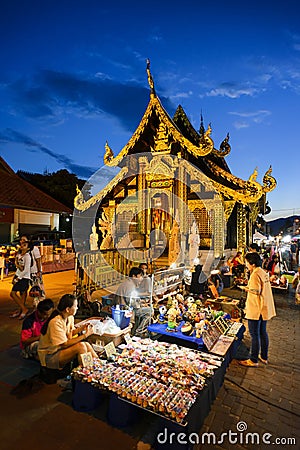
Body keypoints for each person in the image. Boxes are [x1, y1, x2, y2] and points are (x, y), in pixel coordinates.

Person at [38, 294, 98, 370]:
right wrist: (85, 335)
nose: (77, 308)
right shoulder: (55, 322)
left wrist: (81, 329)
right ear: (67, 309)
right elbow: (64, 344)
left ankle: (99, 365)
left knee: (86, 344)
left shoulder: (70, 317)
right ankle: (87, 373)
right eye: (75, 306)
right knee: (81, 346)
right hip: (50, 356)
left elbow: (70, 334)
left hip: (60, 350)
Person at [239, 252, 276, 367]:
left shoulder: (255, 274)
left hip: (256, 308)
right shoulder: (263, 272)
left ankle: (253, 360)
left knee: (254, 334)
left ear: (252, 263)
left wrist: (245, 288)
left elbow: (256, 291)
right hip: (264, 307)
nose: (246, 265)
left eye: (247, 263)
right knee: (262, 332)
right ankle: (264, 356)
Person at [10, 239, 32, 319]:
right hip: (19, 276)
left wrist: (18, 278)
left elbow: (26, 269)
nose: (22, 246)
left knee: (13, 293)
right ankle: (21, 310)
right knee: (21, 294)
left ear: (28, 248)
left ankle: (24, 309)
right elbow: (18, 267)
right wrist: (15, 276)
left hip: (24, 277)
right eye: (22, 244)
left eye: (25, 245)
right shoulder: (19, 255)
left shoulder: (27, 256)